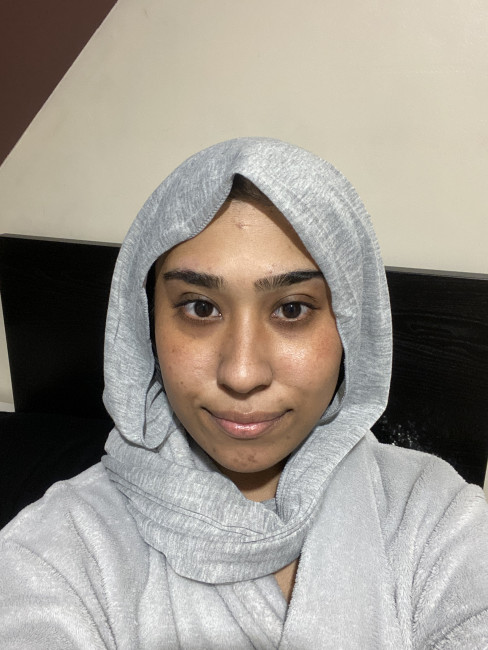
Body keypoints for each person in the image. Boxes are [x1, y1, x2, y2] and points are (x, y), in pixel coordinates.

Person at [1, 137, 487, 648]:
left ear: (351, 327)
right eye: (200, 307)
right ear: (146, 327)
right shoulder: (59, 550)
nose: (241, 373)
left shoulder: (432, 514)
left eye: (292, 309)